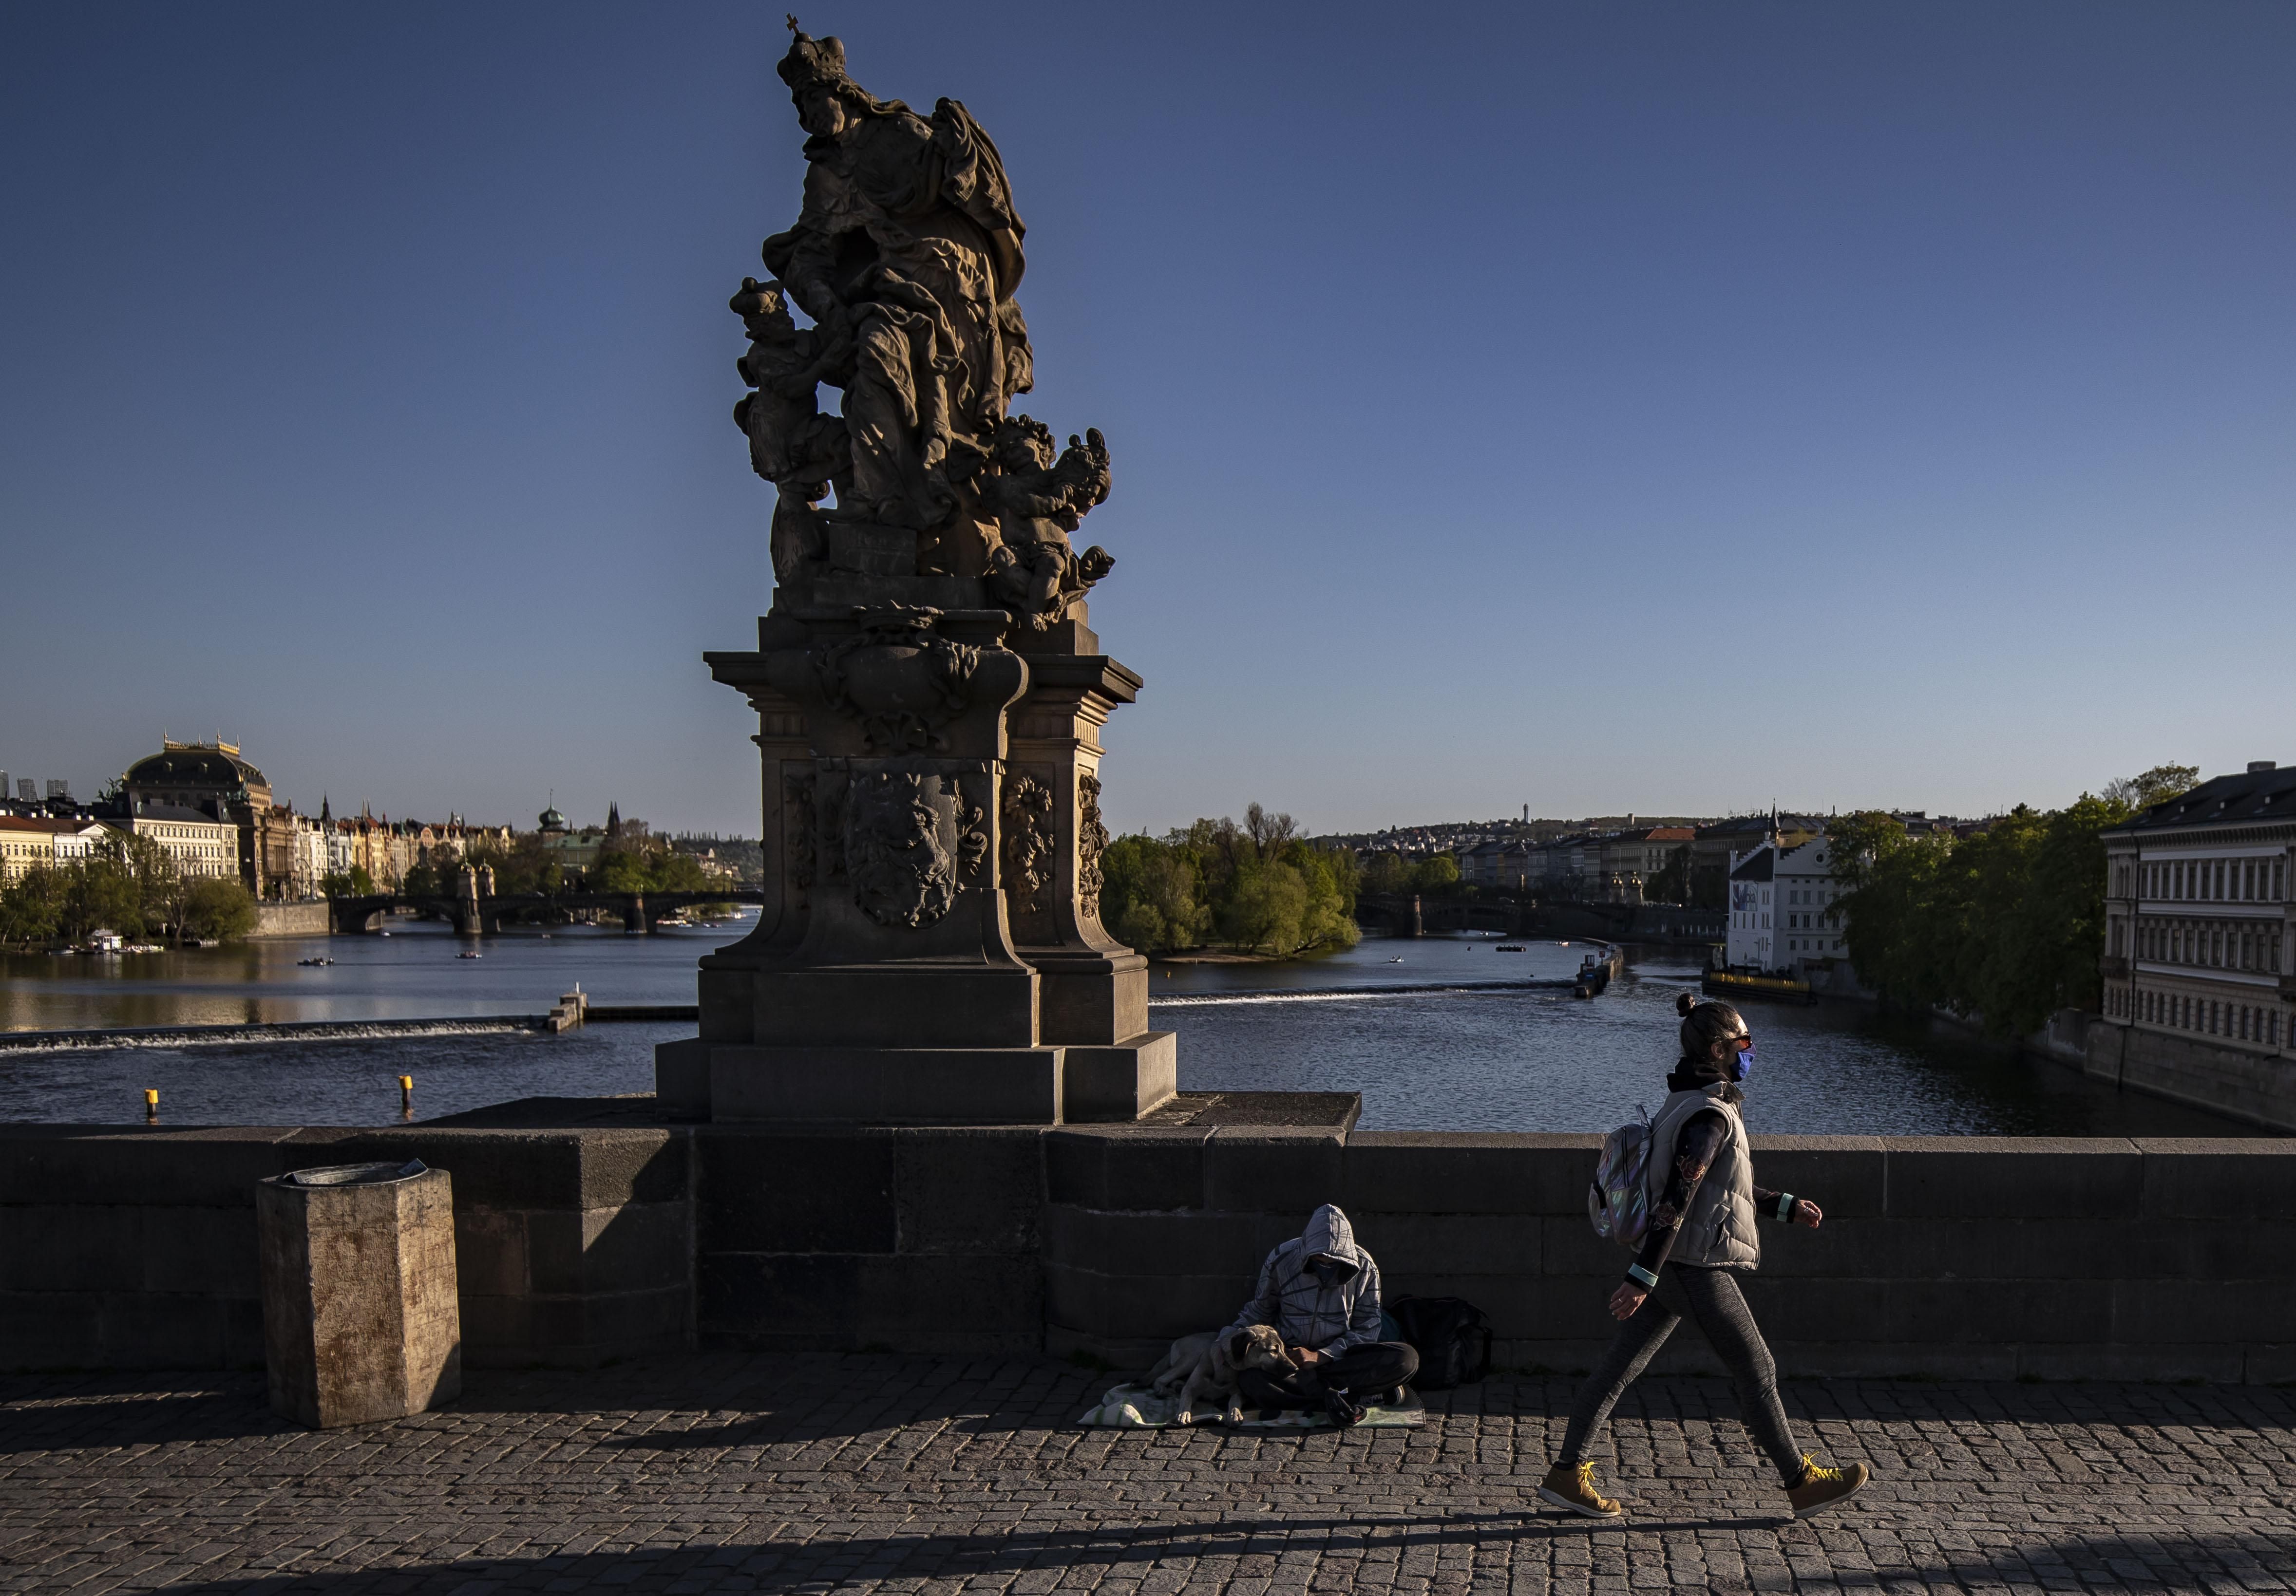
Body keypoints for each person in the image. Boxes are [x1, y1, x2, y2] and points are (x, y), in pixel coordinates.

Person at [1539, 994, 1871, 1521]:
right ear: (1718, 1049)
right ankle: (1801, 1481)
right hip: (1690, 1265)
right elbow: (1679, 1197)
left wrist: (1783, 1205)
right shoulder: (1710, 1115)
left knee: (1620, 1366)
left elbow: (1721, 1185)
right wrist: (1641, 1277)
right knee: (1756, 1366)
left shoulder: (1688, 1104)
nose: (1751, 1050)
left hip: (1675, 1261)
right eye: (1744, 1043)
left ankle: (1564, 1474)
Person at [1227, 1203, 1419, 1427]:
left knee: (1406, 1359)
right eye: (1318, 1262)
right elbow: (1260, 1311)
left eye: (1333, 1264)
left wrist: (1322, 1356)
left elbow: (1368, 1328)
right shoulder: (1281, 1260)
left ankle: (1327, 1397)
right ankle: (1350, 1398)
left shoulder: (1366, 1267)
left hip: (1341, 1359)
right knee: (1250, 1380)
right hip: (1292, 1361)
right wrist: (1227, 1341)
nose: (1325, 1268)